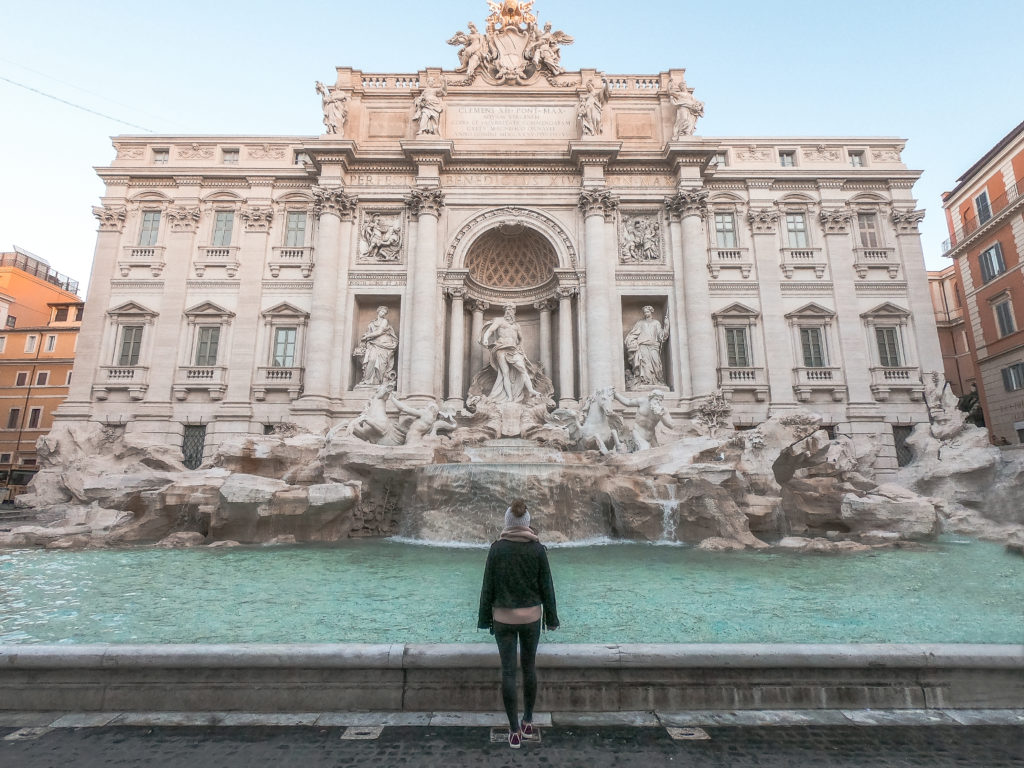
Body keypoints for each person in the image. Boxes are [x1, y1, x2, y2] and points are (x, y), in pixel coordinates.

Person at [478, 499, 559, 749]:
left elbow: (487, 587)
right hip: (531, 617)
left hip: (502, 619)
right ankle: (528, 721)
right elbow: (547, 586)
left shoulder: (497, 549)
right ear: (527, 524)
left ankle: (513, 731)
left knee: (509, 672)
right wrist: (552, 619)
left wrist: (483, 619)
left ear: (507, 523)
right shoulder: (537, 550)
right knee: (529, 667)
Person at [480, 304, 542, 402]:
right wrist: (485, 338)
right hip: (501, 348)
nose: (509, 311)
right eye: (507, 309)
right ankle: (509, 397)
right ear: (504, 310)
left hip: (513, 349)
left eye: (512, 309)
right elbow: (490, 330)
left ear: (514, 311)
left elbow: (521, 339)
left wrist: (521, 349)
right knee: (505, 373)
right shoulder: (499, 321)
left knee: (523, 369)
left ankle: (530, 390)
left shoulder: (517, 325)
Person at [624, 306, 669, 387]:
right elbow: (633, 334)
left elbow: (661, 336)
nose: (646, 314)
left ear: (651, 312)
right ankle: (645, 381)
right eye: (644, 312)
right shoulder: (640, 323)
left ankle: (657, 380)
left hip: (653, 346)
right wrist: (631, 341)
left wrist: (666, 326)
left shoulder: (656, 323)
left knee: (656, 363)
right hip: (642, 345)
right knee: (644, 364)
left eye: (647, 312)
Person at [355, 306, 399, 385]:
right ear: (378, 311)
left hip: (383, 344)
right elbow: (368, 333)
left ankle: (378, 382)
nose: (383, 314)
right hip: (373, 344)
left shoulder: (384, 321)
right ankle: (367, 380)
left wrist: (367, 336)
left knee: (381, 364)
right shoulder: (372, 323)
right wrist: (364, 338)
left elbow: (379, 332)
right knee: (371, 359)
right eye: (382, 312)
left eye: (385, 313)